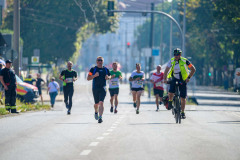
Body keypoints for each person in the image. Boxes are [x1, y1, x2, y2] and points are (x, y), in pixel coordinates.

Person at [163, 48, 196, 119]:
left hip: (183, 79)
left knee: (183, 98)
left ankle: (182, 112)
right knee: (171, 92)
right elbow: (166, 70)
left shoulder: (185, 61)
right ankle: (170, 101)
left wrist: (188, 78)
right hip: (174, 78)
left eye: (177, 54)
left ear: (180, 55)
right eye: (175, 54)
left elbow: (193, 69)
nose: (176, 56)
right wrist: (165, 79)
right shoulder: (171, 61)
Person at [87, 56, 110, 123]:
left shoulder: (106, 69)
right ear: (96, 61)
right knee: (96, 104)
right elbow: (88, 78)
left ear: (103, 61)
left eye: (101, 60)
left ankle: (100, 117)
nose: (100, 62)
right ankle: (96, 112)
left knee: (101, 102)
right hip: (95, 88)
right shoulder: (93, 69)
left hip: (103, 88)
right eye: (98, 60)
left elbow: (109, 75)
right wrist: (94, 76)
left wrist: (108, 77)